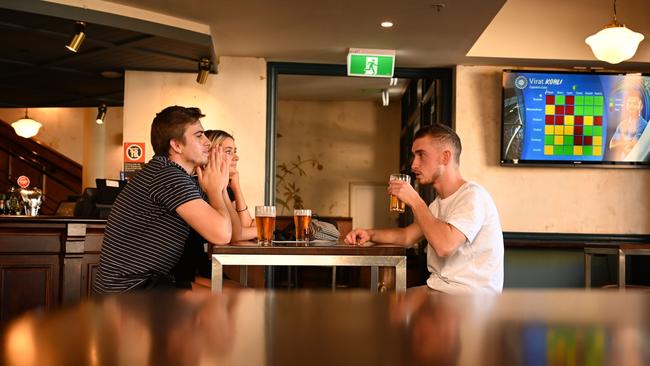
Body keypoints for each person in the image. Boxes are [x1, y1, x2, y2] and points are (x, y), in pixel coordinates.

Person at [345, 124, 504, 294]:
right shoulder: (436, 205)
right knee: (386, 305)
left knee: (388, 308)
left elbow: (445, 246)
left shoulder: (472, 196)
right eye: (414, 156)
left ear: (445, 157)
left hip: (470, 298)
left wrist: (415, 200)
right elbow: (407, 236)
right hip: (440, 290)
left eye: (421, 155)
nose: (414, 165)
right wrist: (369, 234)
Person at [94, 106, 233, 293]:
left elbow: (233, 233)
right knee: (228, 300)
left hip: (149, 281)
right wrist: (216, 189)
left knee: (232, 293)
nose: (208, 142)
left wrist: (221, 185)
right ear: (176, 145)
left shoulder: (178, 176)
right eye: (199, 136)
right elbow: (222, 235)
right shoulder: (167, 176)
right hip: (129, 289)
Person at [205, 130, 257, 241]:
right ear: (210, 154)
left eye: (235, 151)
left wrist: (236, 187)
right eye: (228, 152)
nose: (236, 157)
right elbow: (235, 234)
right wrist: (261, 230)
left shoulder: (227, 186)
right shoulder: (203, 185)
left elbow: (245, 225)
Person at [609, 90, 648, 160]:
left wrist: (621, 142)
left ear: (641, 106)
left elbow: (633, 148)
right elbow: (612, 145)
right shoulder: (622, 124)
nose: (631, 106)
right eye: (629, 103)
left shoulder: (644, 125)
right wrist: (627, 143)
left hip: (636, 164)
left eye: (635, 103)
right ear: (626, 105)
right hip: (621, 163)